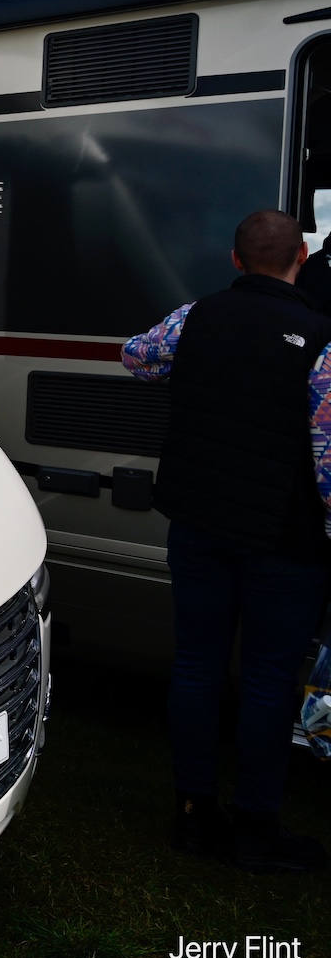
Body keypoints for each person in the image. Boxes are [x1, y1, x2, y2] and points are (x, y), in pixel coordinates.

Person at [123, 208, 331, 874]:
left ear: (236, 260)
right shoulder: (322, 337)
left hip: (197, 523)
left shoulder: (195, 317)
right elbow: (327, 458)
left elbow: (136, 357)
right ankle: (256, 832)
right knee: (268, 683)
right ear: (302, 257)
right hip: (285, 541)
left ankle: (192, 815)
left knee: (196, 666)